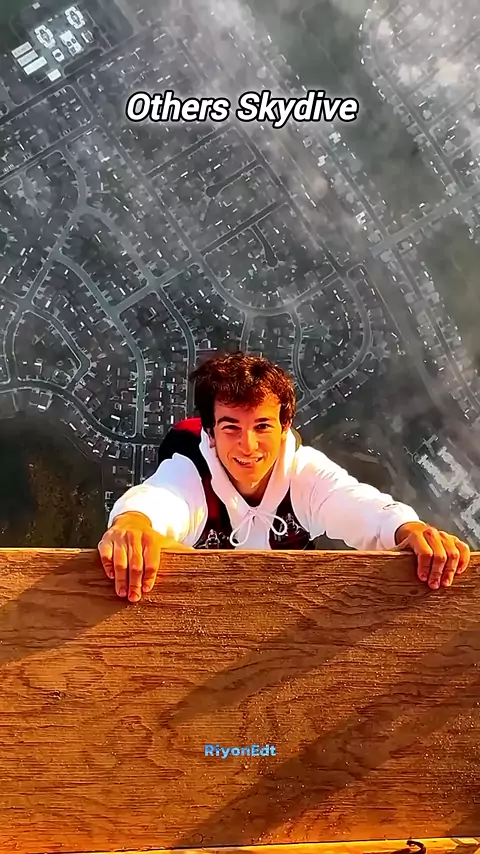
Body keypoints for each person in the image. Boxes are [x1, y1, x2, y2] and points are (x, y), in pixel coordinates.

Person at [98, 351, 471, 602]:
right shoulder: (192, 473)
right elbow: (160, 498)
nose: (248, 445)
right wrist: (134, 523)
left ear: (284, 427)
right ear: (210, 433)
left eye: (262, 426)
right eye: (231, 427)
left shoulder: (304, 475)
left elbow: (358, 505)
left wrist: (408, 530)